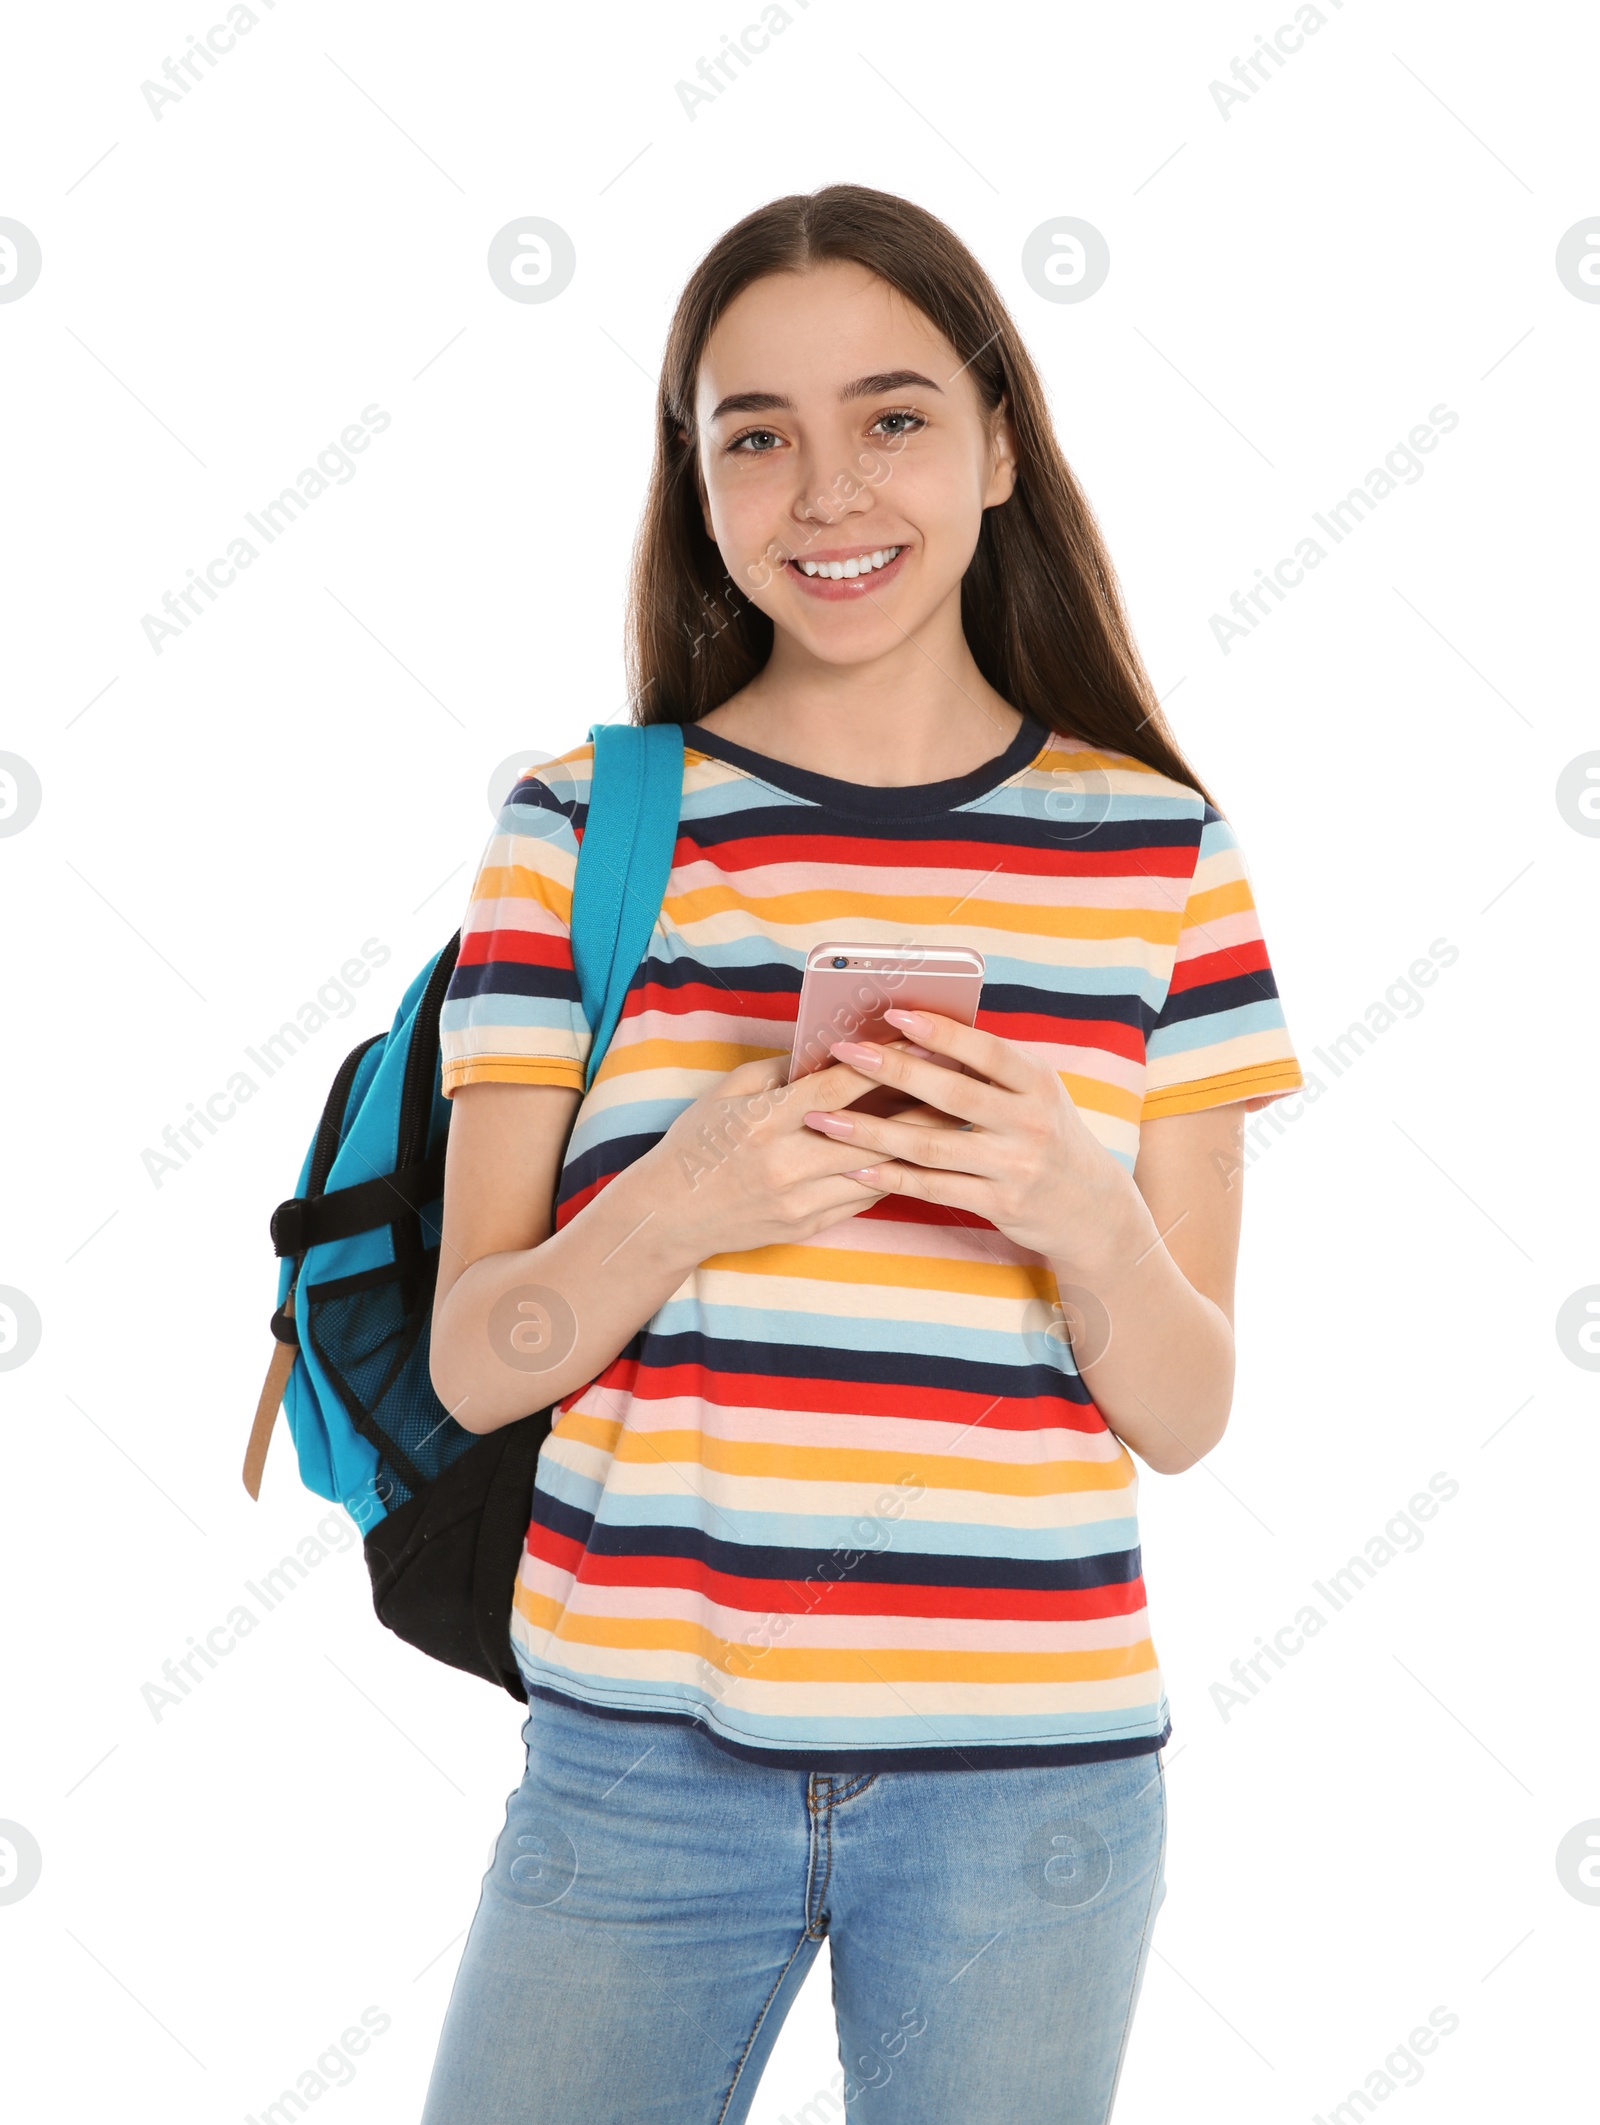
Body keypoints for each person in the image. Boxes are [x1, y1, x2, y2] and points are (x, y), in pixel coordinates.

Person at [420, 183, 1303, 2125]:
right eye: (757, 435)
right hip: (633, 1759)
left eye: (891, 416)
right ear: (701, 485)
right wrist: (679, 1203)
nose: (826, 490)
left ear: (997, 444)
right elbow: (472, 1356)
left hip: (1032, 1781)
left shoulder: (1157, 852)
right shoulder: (583, 828)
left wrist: (1073, 1206)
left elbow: (1183, 1407)